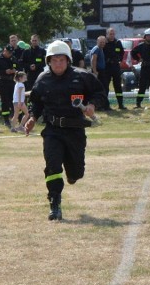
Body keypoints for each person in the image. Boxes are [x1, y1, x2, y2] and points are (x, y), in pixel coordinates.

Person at [24, 40, 106, 221]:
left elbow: (100, 92)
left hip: (75, 131)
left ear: (68, 60)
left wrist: (93, 104)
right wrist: (32, 118)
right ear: (48, 61)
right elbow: (36, 102)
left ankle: (73, 175)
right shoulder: (42, 80)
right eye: (54, 60)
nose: (58, 63)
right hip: (53, 130)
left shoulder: (82, 76)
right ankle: (55, 204)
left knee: (76, 172)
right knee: (52, 165)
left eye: (61, 60)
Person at [0, 44, 17, 128]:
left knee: (13, 100)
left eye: (11, 52)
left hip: (12, 82)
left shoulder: (13, 58)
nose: (10, 54)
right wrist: (5, 71)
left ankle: (14, 117)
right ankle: (6, 119)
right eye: (8, 52)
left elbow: (18, 66)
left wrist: (14, 70)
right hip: (3, 82)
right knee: (5, 101)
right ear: (4, 50)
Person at [102, 28, 127, 109]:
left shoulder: (118, 42)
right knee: (105, 86)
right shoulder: (104, 43)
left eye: (113, 34)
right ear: (107, 34)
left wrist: (119, 59)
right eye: (110, 34)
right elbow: (101, 54)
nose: (112, 35)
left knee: (118, 86)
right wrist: (107, 60)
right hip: (107, 67)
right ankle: (106, 105)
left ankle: (120, 104)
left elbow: (122, 53)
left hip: (116, 67)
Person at [89, 36, 111, 110]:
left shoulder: (100, 49)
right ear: (97, 42)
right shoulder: (97, 49)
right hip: (98, 71)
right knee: (102, 89)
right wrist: (95, 71)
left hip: (101, 71)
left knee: (105, 88)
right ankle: (101, 106)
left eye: (103, 42)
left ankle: (104, 105)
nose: (102, 43)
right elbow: (93, 60)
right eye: (101, 42)